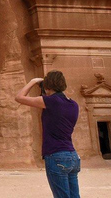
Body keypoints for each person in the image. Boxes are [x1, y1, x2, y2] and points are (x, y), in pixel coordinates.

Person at [15, 70, 80, 198]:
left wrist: (33, 82)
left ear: (47, 86)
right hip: (73, 156)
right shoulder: (74, 105)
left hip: (56, 155)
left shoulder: (51, 102)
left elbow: (19, 97)